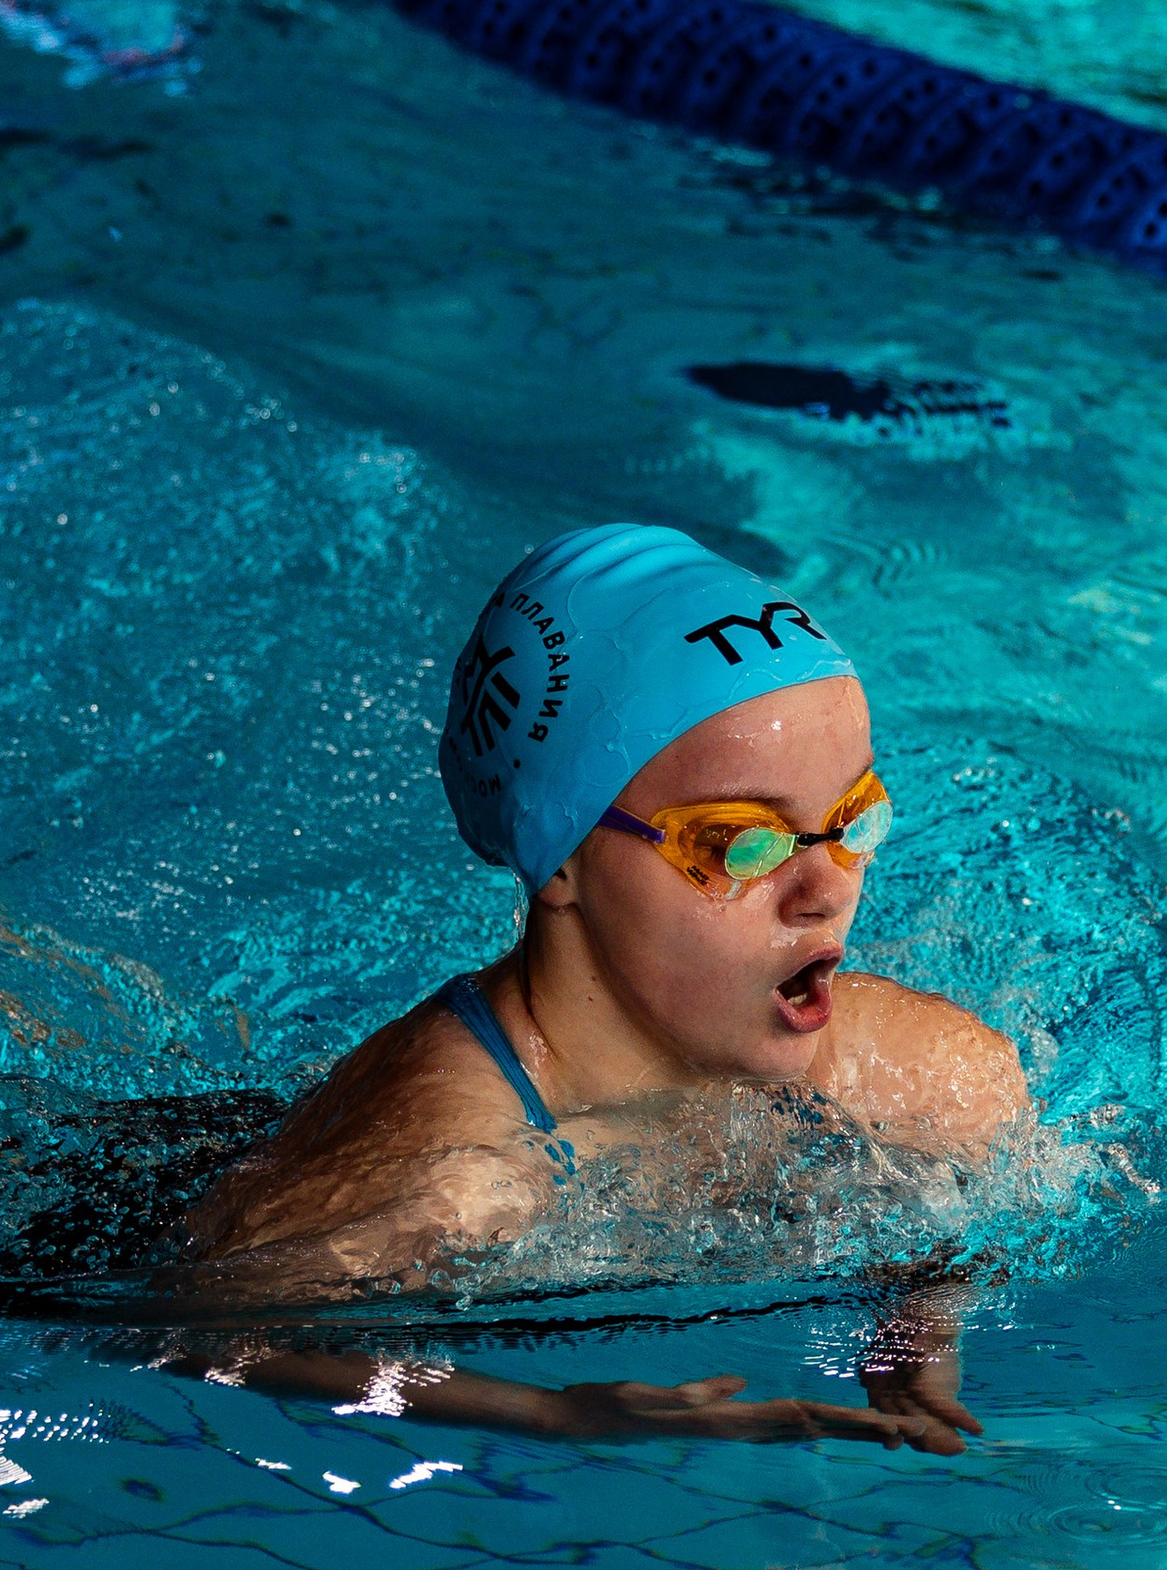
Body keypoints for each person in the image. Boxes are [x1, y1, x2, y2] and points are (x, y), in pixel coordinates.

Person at [168, 523, 1027, 1454]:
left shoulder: (918, 1071)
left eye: (851, 821)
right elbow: (197, 1327)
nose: (826, 893)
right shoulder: (452, 1174)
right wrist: (543, 1409)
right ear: (563, 856)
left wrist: (915, 1327)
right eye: (740, 843)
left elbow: (952, 1216)